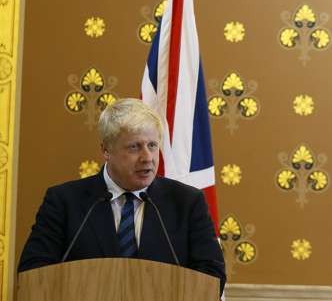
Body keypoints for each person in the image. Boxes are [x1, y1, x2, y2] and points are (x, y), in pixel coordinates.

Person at [18, 98, 226, 293]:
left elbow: (212, 276)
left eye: (152, 145)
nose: (147, 158)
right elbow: (33, 271)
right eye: (134, 147)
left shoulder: (187, 202)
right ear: (106, 150)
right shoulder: (64, 201)